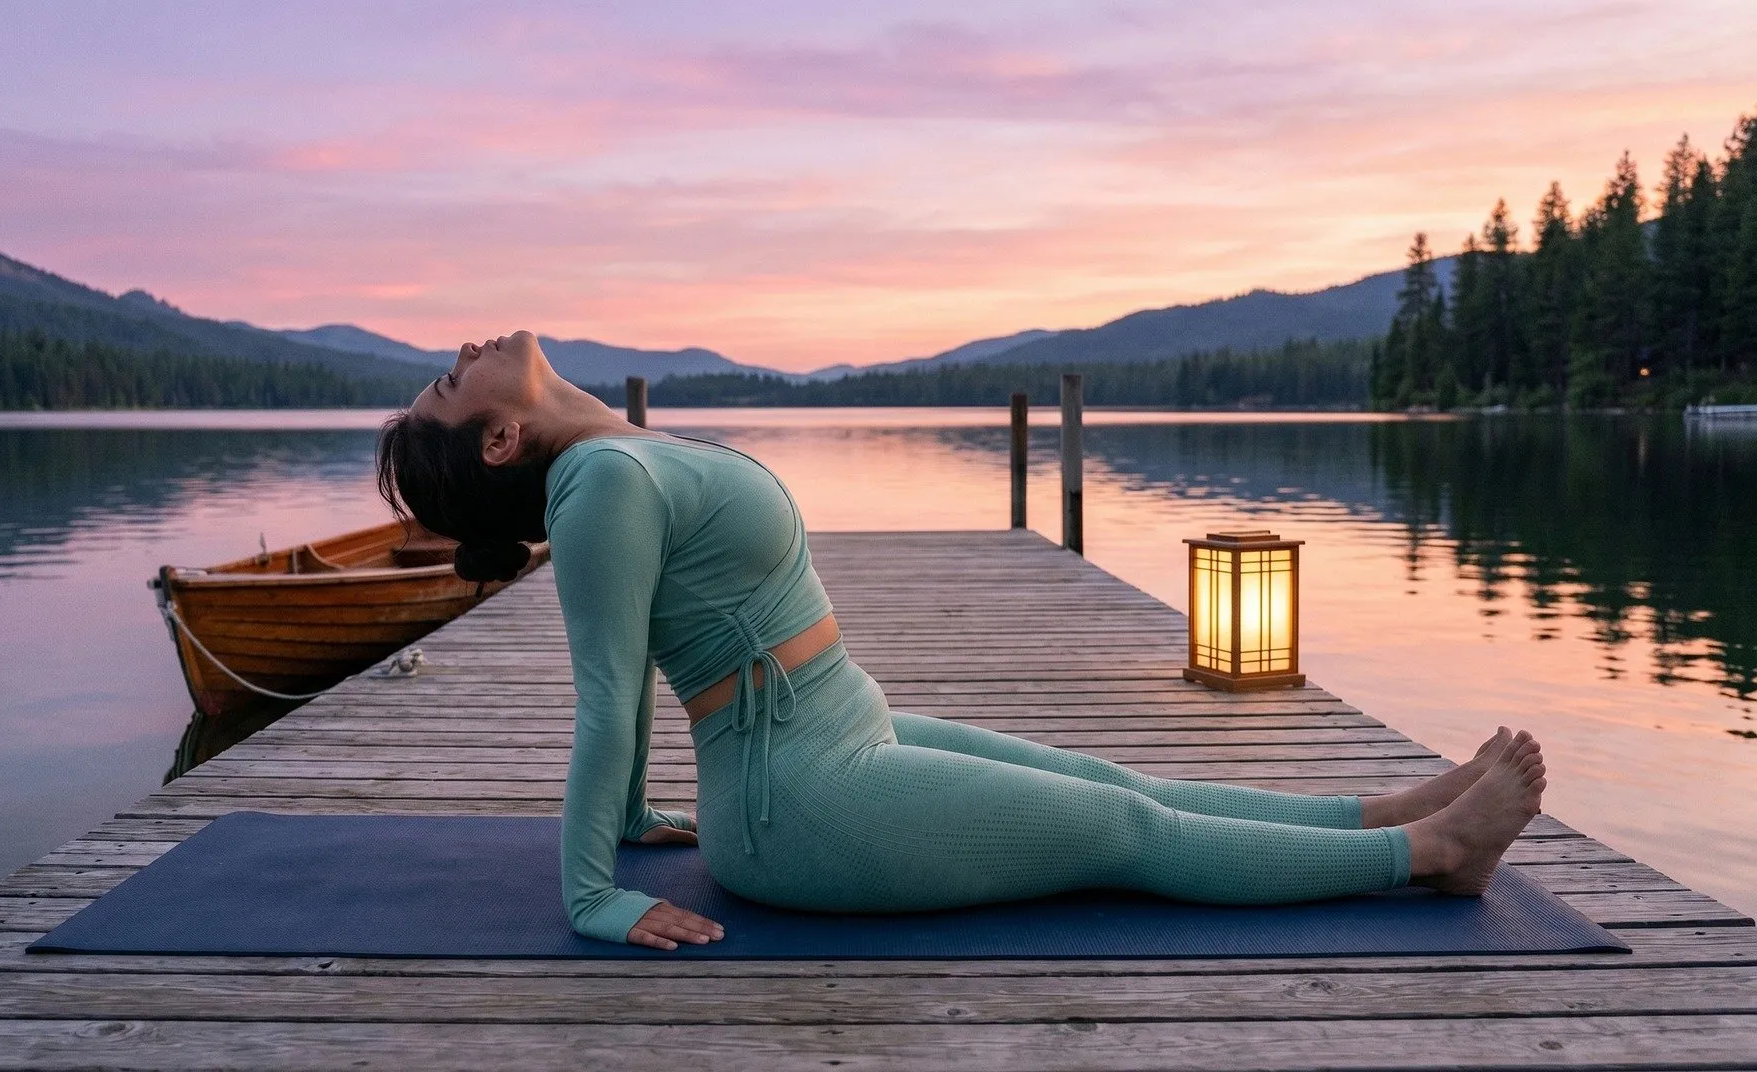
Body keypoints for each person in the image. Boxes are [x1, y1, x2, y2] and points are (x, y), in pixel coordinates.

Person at [375, 330, 1548, 951]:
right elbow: (606, 692)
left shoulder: (617, 459)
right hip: (800, 805)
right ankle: (1433, 855)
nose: (465, 349)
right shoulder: (596, 486)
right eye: (448, 380)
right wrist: (592, 893)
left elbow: (635, 673)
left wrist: (638, 815)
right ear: (498, 440)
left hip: (844, 729)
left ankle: (1375, 813)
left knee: (1111, 778)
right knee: (1123, 831)